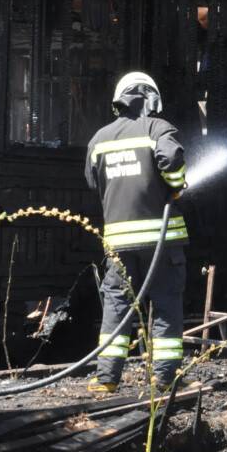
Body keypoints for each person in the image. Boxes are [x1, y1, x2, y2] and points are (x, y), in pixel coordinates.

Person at [84, 72, 189, 393]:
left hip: (117, 243)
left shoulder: (99, 139)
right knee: (165, 304)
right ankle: (164, 376)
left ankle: (106, 379)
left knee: (117, 305)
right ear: (151, 98)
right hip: (161, 241)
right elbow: (171, 158)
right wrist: (175, 185)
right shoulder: (158, 128)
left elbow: (92, 182)